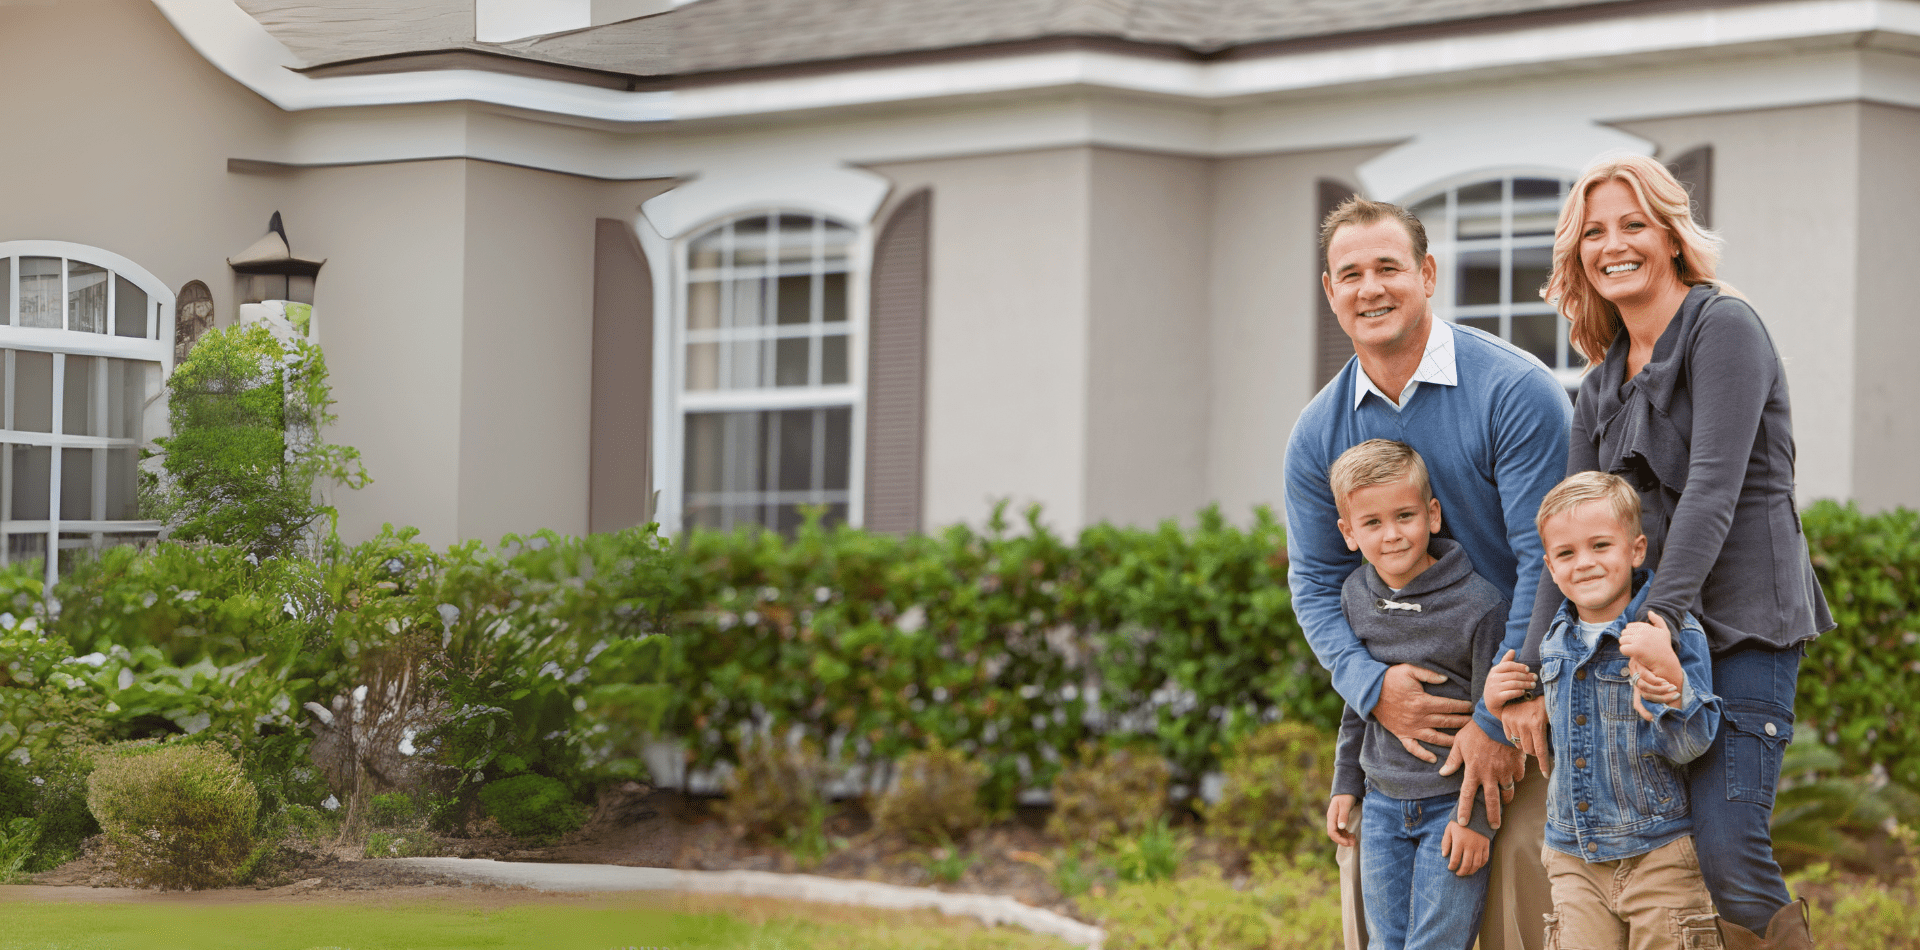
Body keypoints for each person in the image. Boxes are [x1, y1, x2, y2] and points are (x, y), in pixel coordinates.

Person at [1499, 154, 1833, 948]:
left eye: (1633, 224)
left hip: (1741, 625)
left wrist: (1654, 619)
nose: (1613, 244)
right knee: (1656, 852)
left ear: (1672, 236)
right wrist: (1527, 666)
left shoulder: (1724, 328)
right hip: (1652, 635)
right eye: (1594, 231)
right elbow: (1565, 530)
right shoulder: (1602, 382)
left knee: (1727, 847)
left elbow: (1715, 486)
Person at [1287, 196, 1571, 950]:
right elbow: (1315, 584)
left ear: (1428, 274)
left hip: (1523, 703)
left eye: (1389, 267)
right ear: (1330, 292)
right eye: (1351, 274)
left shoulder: (1513, 391)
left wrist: (1494, 717)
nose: (1370, 288)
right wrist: (1373, 690)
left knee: (1516, 925)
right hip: (1393, 745)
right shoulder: (1318, 432)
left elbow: (1550, 563)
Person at [1487, 472, 1722, 949]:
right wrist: (1498, 704)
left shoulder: (1668, 634)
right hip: (1573, 857)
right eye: (1567, 554)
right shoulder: (1551, 644)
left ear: (1636, 551)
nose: (1585, 564)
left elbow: (1693, 745)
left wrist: (1673, 688)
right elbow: (1551, 745)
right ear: (1550, 569)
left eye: (1600, 546)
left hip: (1658, 854)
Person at [1323, 439, 1506, 950]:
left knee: (1435, 944)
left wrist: (1474, 823)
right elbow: (1361, 699)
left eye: (1404, 515)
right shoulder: (1356, 597)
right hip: (1382, 806)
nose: (1392, 534)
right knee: (1386, 943)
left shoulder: (1480, 606)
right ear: (1349, 533)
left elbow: (1496, 718)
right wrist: (1346, 784)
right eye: (1373, 523)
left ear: (1432, 514)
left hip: (1453, 805)